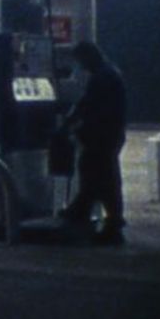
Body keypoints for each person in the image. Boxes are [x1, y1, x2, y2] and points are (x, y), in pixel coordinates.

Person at [59, 41, 128, 245]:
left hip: (102, 137)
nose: (81, 66)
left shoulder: (102, 78)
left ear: (88, 56)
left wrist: (72, 126)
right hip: (110, 136)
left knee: (98, 177)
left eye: (81, 61)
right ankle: (83, 213)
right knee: (101, 176)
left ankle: (109, 223)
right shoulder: (109, 73)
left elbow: (89, 107)